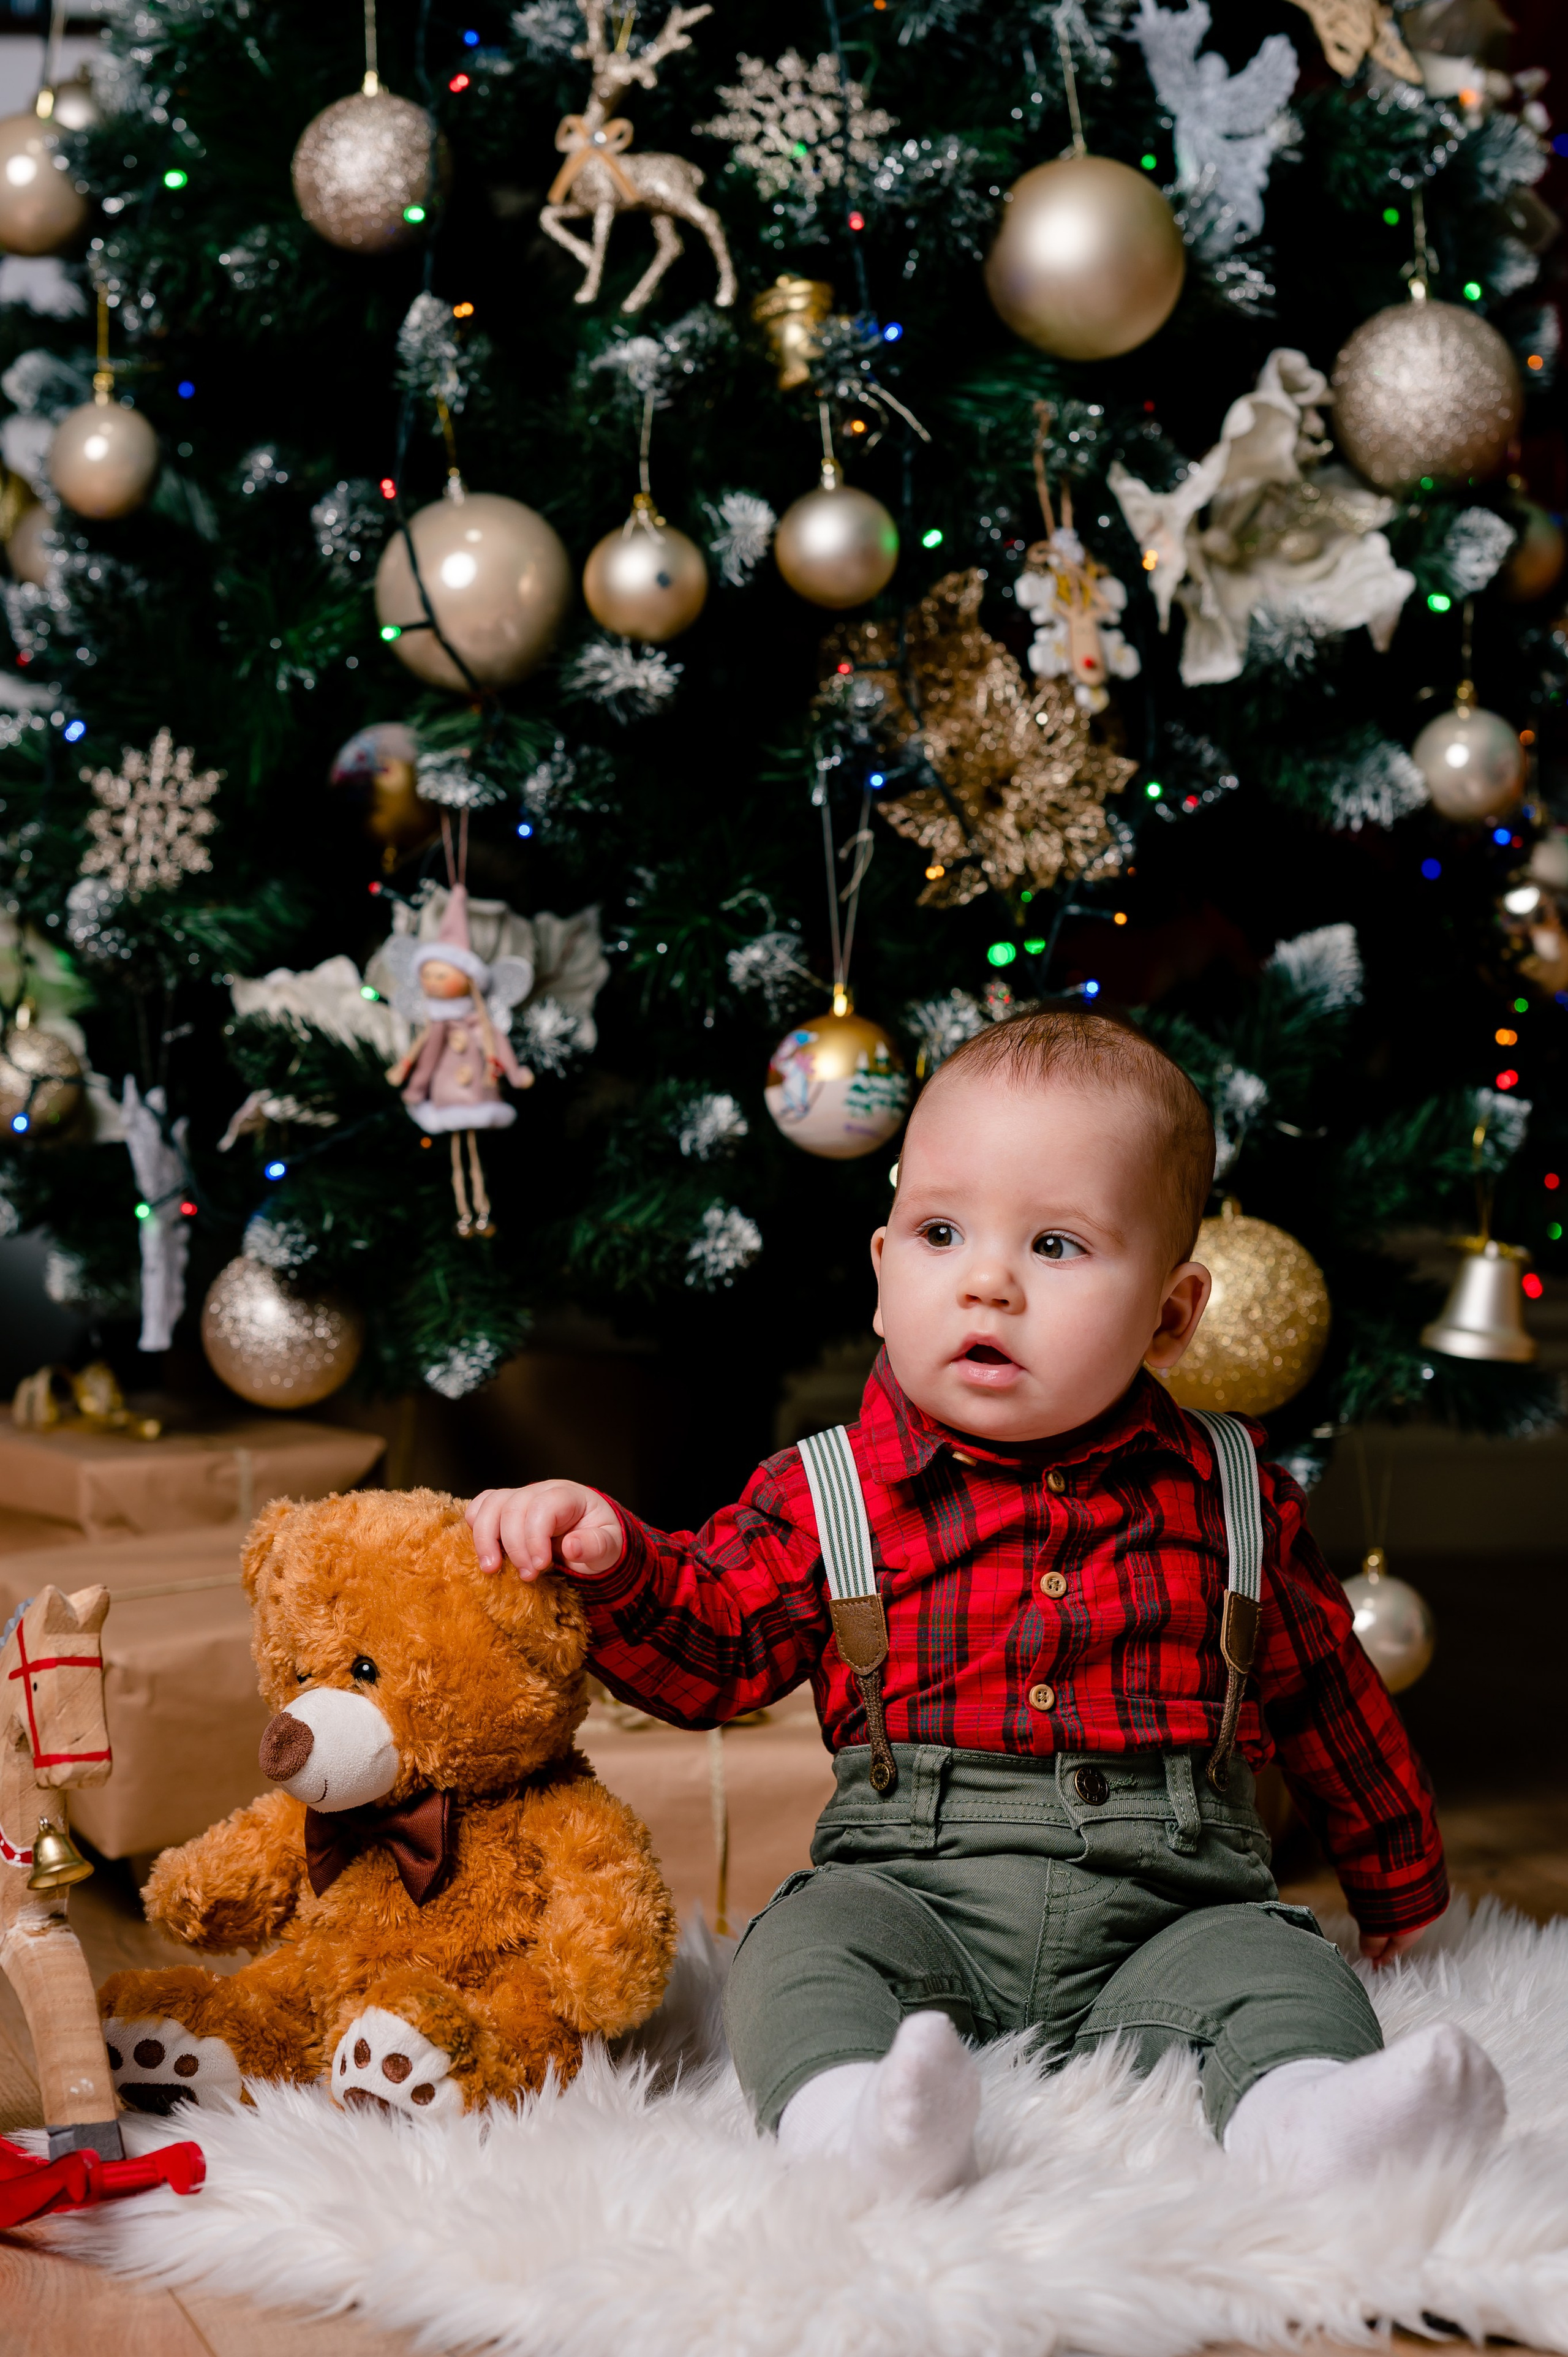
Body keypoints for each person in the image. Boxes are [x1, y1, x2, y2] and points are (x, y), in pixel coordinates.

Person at [467, 1009, 1504, 2199]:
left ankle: (1307, 2115)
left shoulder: (1231, 1494)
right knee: (794, 1951)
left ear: (1170, 1315)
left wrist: (1402, 1899)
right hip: (910, 1898)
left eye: (1056, 1244)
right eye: (940, 1232)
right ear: (881, 1275)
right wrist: (611, 1560)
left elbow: (1331, 1703)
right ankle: (858, 2119)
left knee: (1285, 1971)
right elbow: (713, 1652)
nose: (986, 1282)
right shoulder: (831, 1493)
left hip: (1173, 1911)